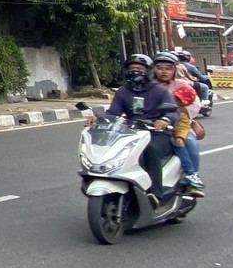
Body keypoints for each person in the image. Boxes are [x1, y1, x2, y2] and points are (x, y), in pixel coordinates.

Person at [87, 53, 180, 204]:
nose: (135, 71)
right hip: (133, 133)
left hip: (157, 133)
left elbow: (174, 112)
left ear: (148, 71)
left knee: (150, 150)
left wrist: (164, 120)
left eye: (139, 68)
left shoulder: (160, 91)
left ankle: (155, 193)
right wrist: (97, 118)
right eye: (132, 68)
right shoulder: (123, 91)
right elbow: (113, 113)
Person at [169, 62, 207, 196]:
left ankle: (192, 174)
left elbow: (184, 123)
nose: (163, 71)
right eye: (159, 67)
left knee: (188, 142)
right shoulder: (149, 86)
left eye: (167, 68)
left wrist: (180, 136)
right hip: (149, 127)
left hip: (174, 129)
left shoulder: (182, 86)